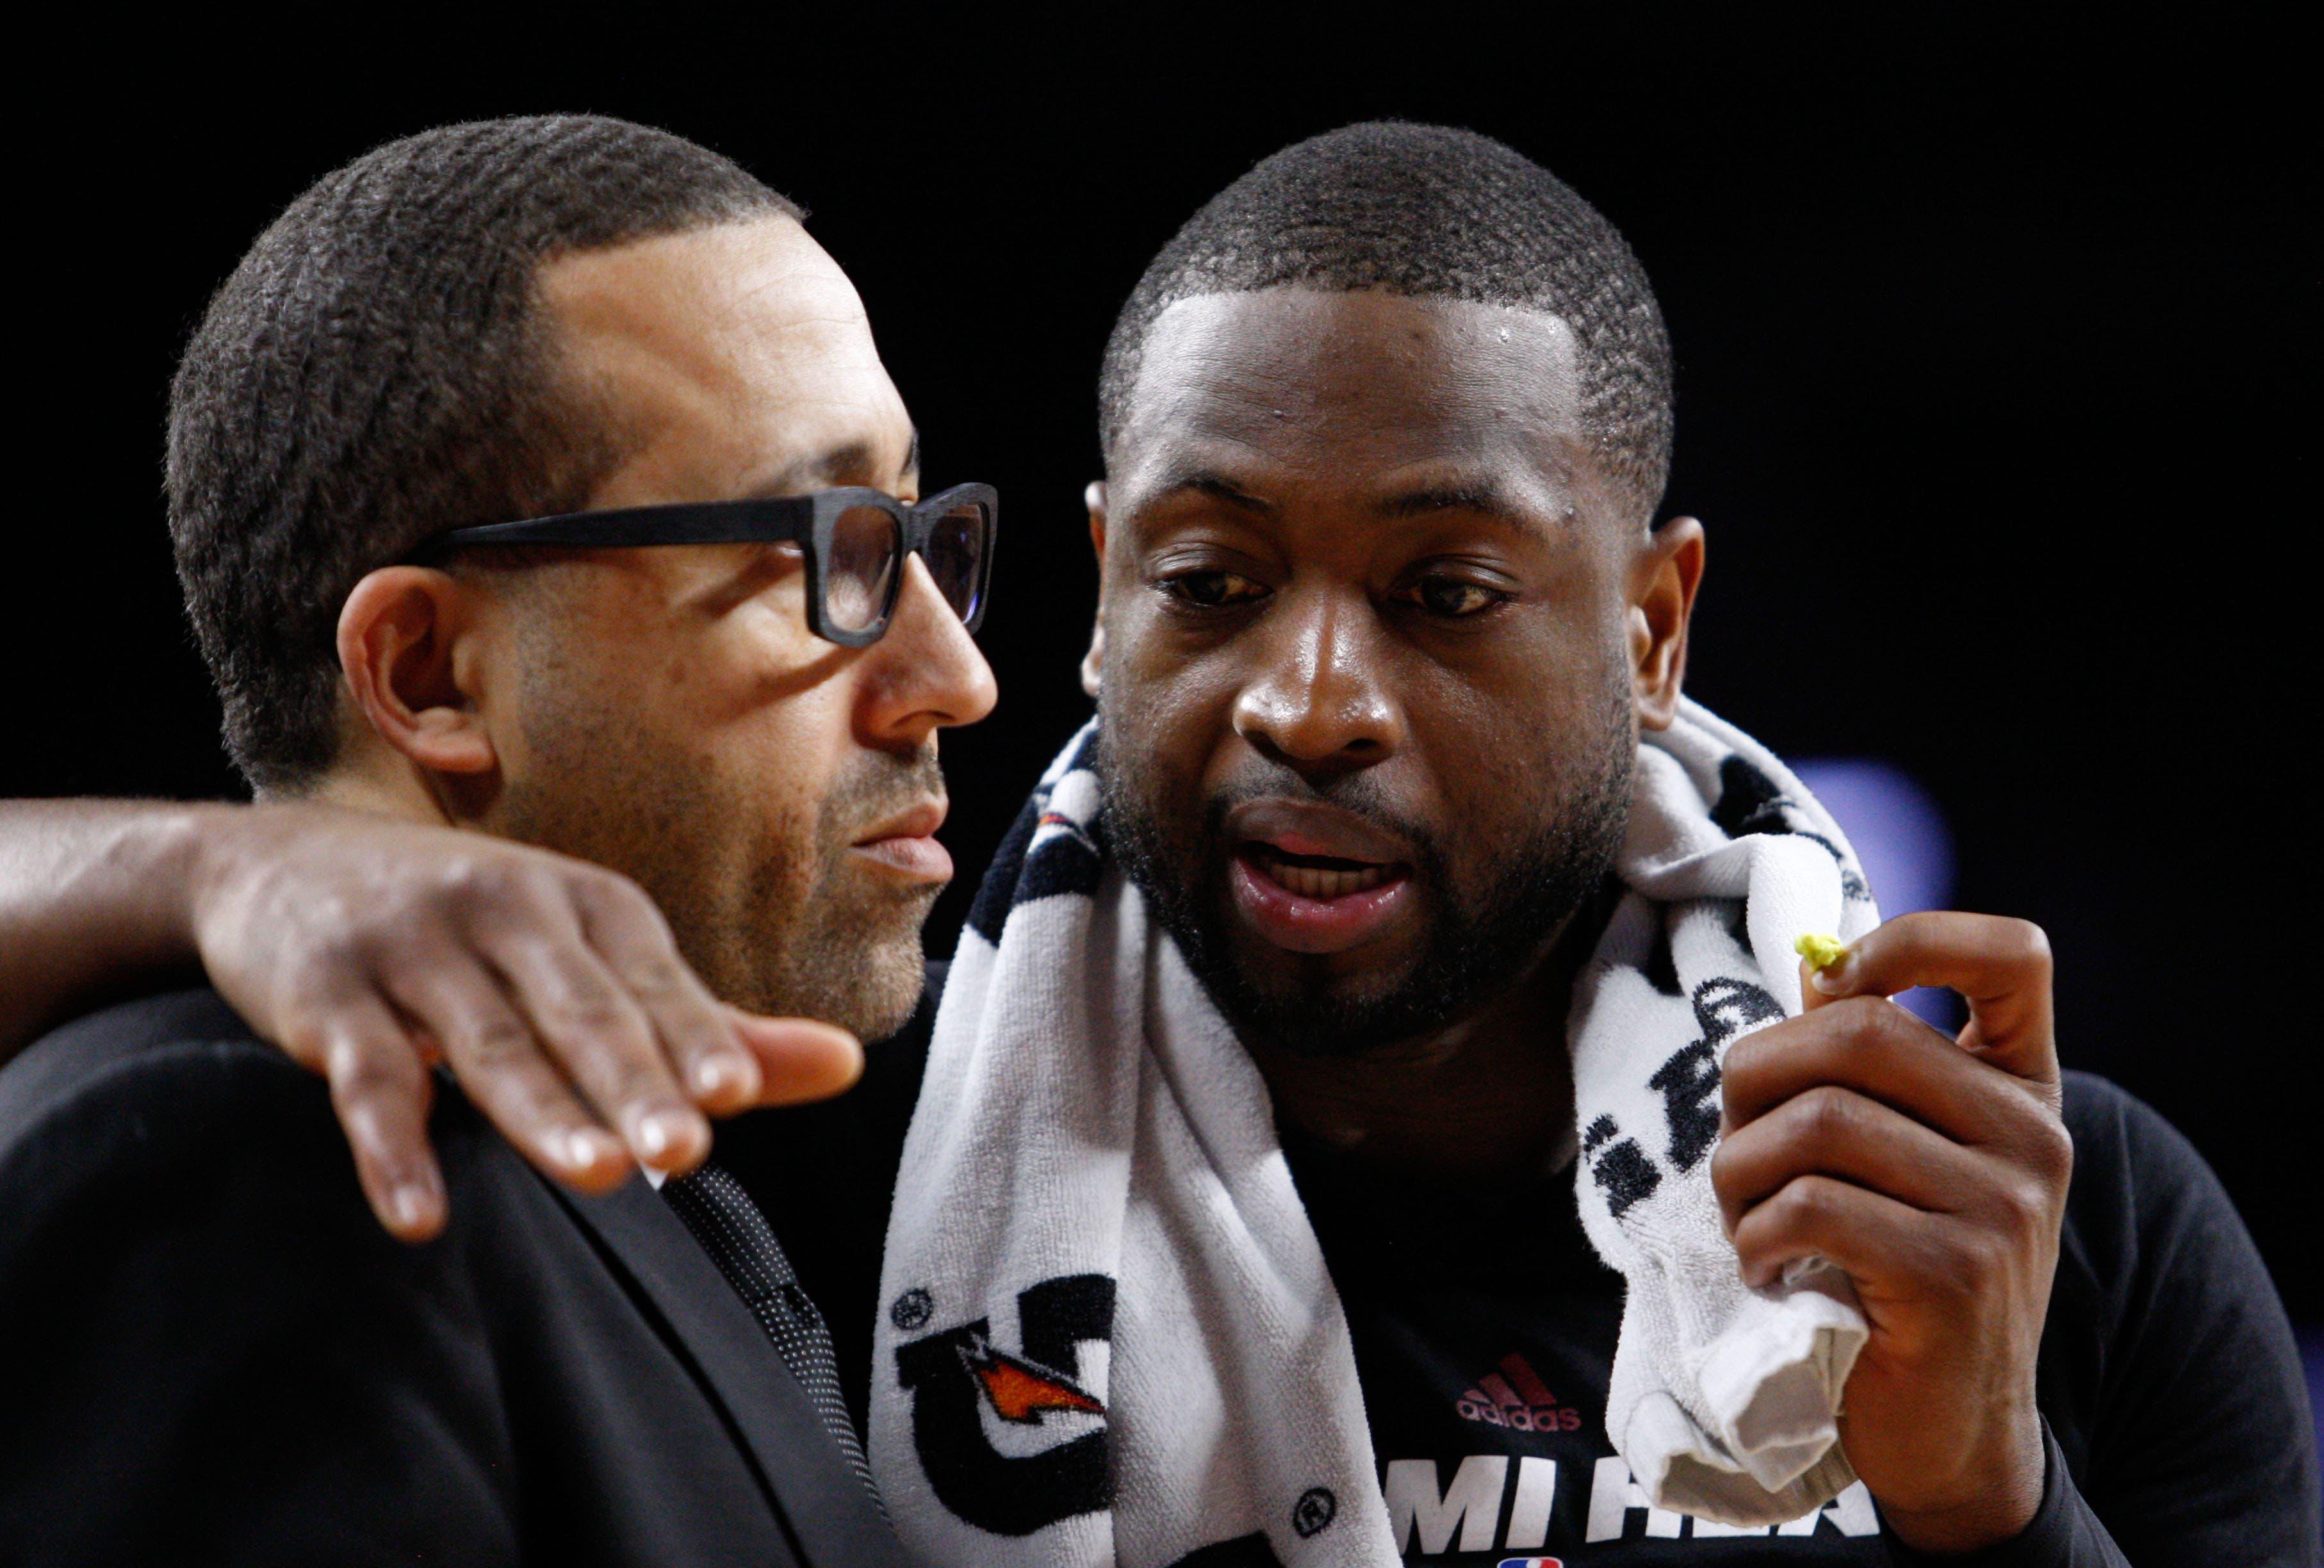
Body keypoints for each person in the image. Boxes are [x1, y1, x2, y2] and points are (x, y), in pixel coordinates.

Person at [3, 124, 2314, 1567]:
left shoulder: (2033, 1225)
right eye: (1205, 582)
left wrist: (1986, 1504)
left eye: (1441, 589)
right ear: (1108, 583)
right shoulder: (826, 1096)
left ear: (1647, 621)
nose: (1308, 695)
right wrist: (227, 863)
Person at [0, 114, 1001, 1565]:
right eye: (825, 555)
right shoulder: (263, 1165)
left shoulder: (589, 1185)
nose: (954, 679)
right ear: (425, 674)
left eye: (913, 535)